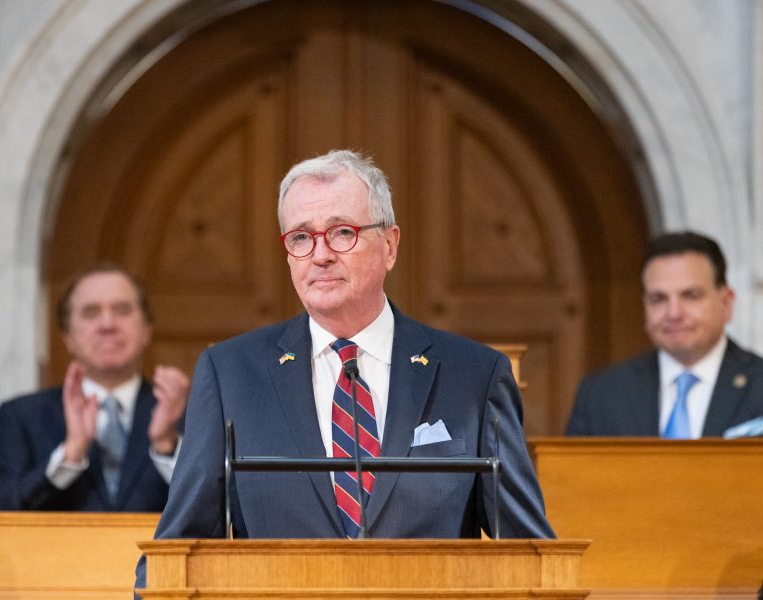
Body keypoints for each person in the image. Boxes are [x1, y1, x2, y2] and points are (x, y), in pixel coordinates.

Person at [135, 149, 553, 590]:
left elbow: (531, 558)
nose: (320, 255)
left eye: (341, 233)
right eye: (300, 237)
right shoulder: (231, 374)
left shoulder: (474, 375)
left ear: (389, 245)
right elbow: (176, 557)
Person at [0, 265, 190, 511]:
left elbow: (223, 514)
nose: (107, 324)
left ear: (146, 330)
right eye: (91, 313)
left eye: (122, 310)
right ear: (67, 337)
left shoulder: (186, 413)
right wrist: (69, 456)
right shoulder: (23, 416)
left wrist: (167, 446)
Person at [567, 231, 763, 437]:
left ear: (726, 303)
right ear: (645, 306)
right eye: (658, 299)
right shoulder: (601, 395)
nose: (674, 313)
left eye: (691, 296)